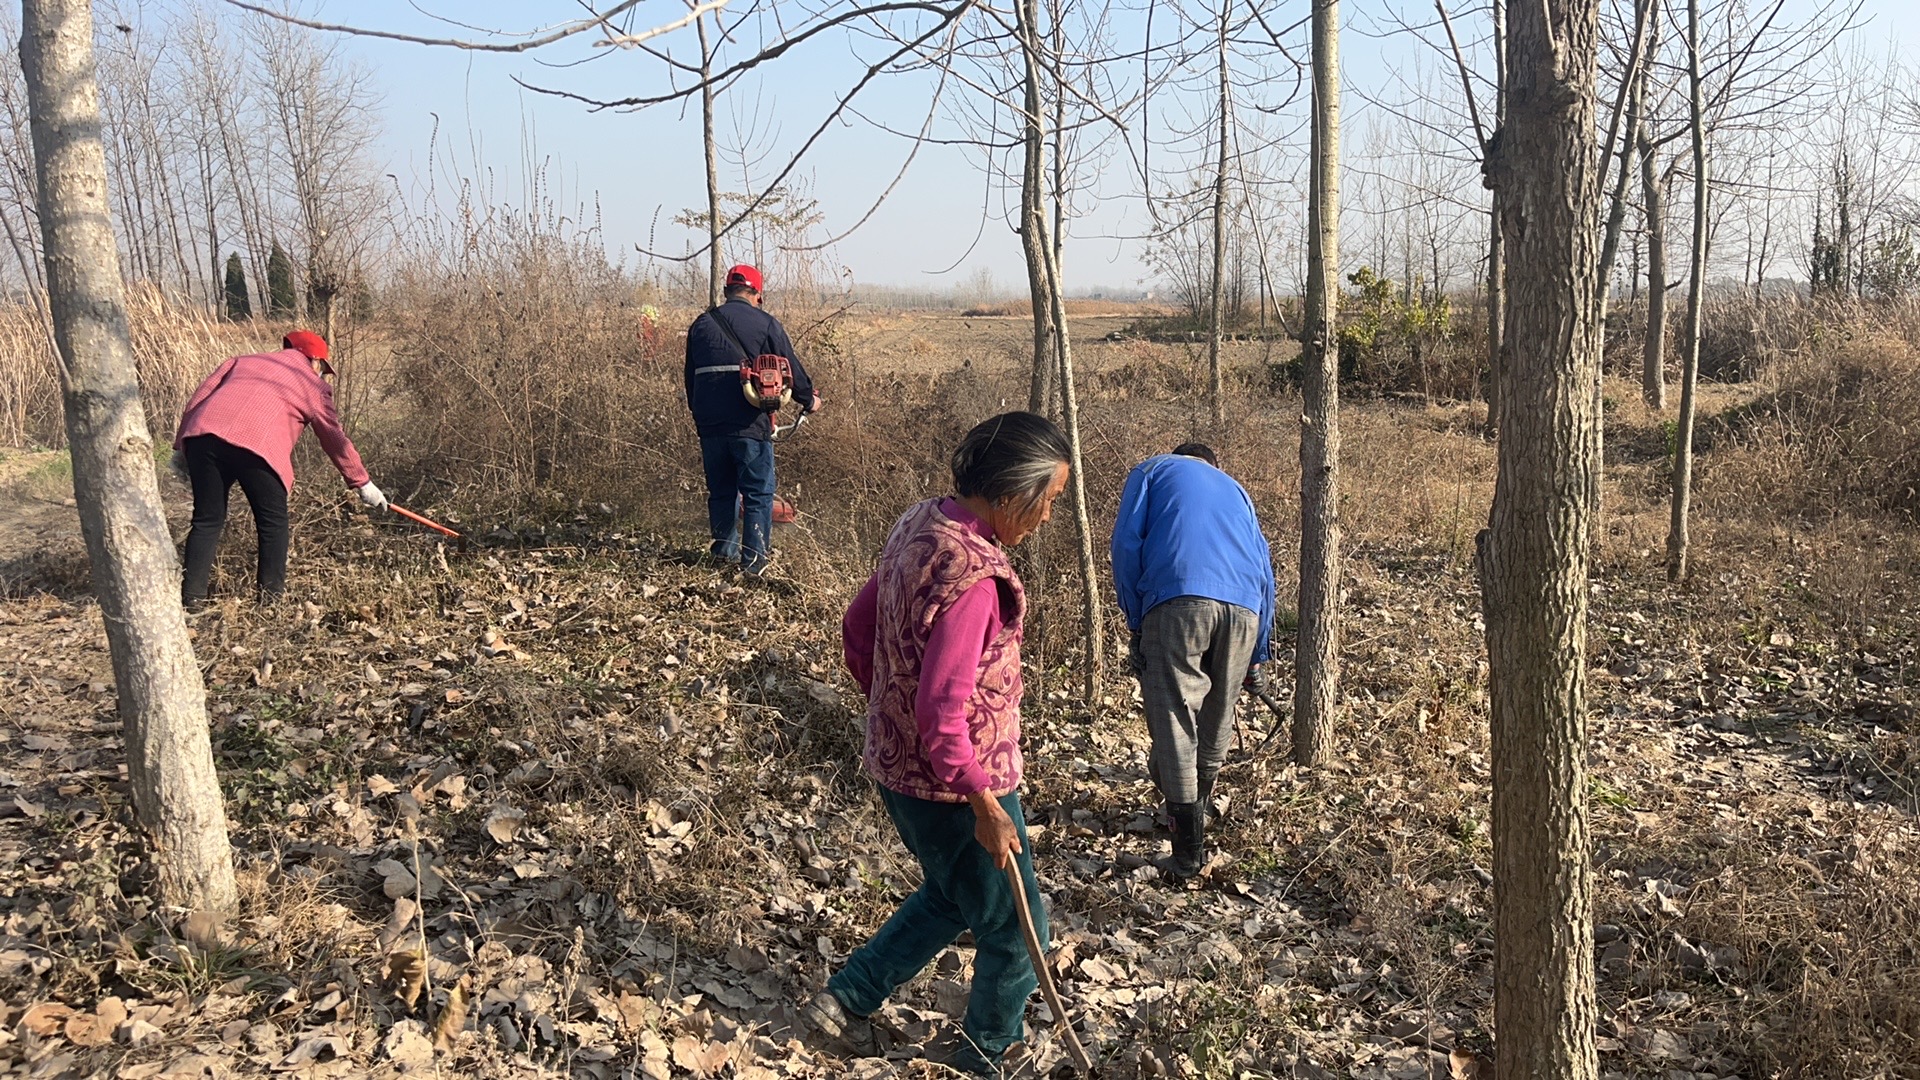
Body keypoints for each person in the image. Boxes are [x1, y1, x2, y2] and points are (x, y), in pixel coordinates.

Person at [803, 412, 1072, 1076]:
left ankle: (849, 999)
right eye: (1048, 499)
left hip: (898, 769)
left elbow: (858, 628)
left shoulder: (920, 524)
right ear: (1012, 491)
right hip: (957, 787)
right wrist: (984, 803)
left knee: (954, 894)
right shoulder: (976, 580)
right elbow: (942, 712)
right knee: (1016, 930)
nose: (1047, 516)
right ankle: (989, 1055)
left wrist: (887, 709)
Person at [1110, 442, 1276, 878]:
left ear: (1180, 456)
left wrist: (1136, 619)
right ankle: (1195, 814)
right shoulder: (1236, 490)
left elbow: (1126, 545)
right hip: (1245, 608)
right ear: (1212, 465)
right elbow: (1265, 571)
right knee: (1219, 715)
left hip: (1177, 596)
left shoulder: (1152, 471)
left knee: (1174, 715)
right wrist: (1257, 655)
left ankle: (1186, 855)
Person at [171, 330, 386, 607]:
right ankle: (270, 602)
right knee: (272, 524)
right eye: (323, 368)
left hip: (203, 438)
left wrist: (181, 445)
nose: (322, 374)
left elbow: (198, 399)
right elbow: (334, 438)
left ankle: (192, 600)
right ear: (316, 361)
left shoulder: (241, 361)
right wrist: (362, 482)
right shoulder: (312, 385)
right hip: (257, 447)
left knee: (207, 519)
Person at [684, 264, 818, 575]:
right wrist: (809, 399)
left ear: (726, 292)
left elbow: (690, 378)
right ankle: (754, 565)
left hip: (710, 425)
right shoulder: (766, 323)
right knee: (757, 493)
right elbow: (791, 369)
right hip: (749, 425)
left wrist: (699, 415)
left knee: (722, 491)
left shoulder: (700, 325)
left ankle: (723, 555)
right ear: (757, 294)